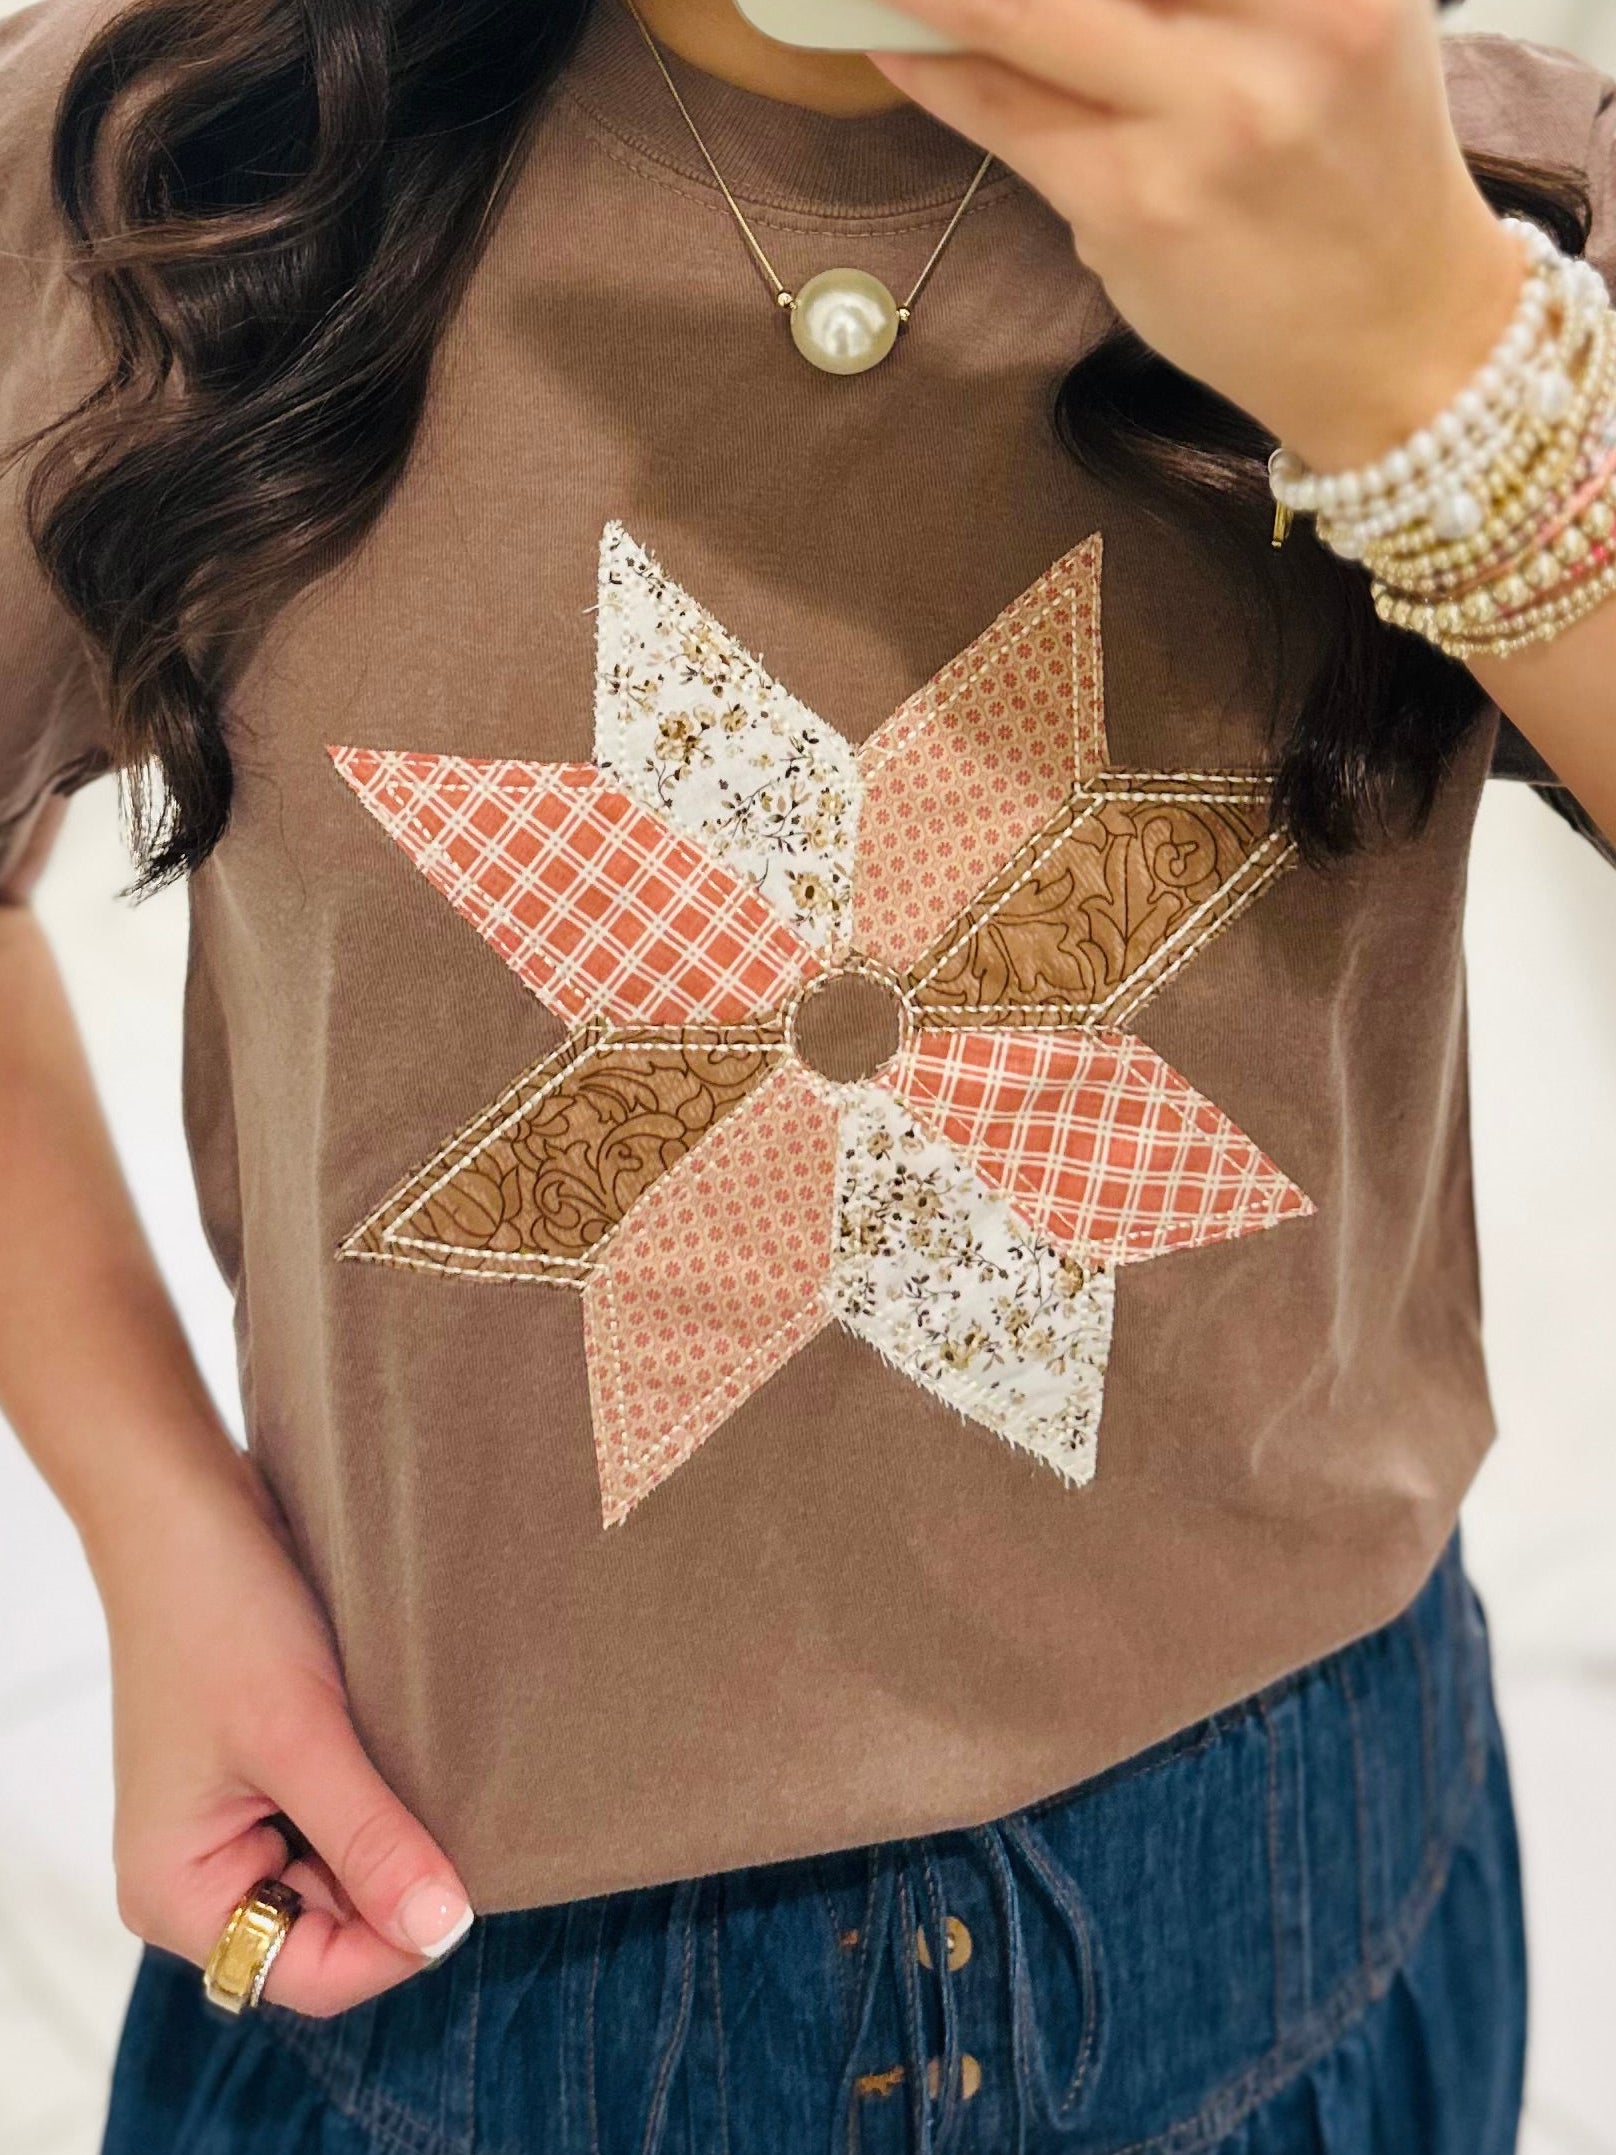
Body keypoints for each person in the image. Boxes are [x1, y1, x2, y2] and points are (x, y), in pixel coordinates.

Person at [2, 0, 1613, 2145]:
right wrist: (157, 1524)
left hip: (1295, 1852)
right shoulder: (176, 166)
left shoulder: (1484, 187)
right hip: (448, 1946)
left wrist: (1439, 364)